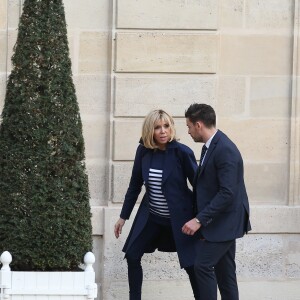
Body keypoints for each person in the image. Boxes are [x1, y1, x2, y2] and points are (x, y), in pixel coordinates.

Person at [114, 109, 200, 300]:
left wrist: (200, 220)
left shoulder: (182, 153)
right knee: (132, 255)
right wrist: (123, 217)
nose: (163, 131)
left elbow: (200, 188)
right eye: (157, 127)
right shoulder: (143, 151)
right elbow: (135, 185)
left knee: (192, 266)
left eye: (166, 126)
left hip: (180, 219)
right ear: (149, 131)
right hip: (152, 217)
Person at [182, 103, 251, 300]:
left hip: (226, 223)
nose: (188, 131)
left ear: (199, 125)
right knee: (225, 274)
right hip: (222, 223)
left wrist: (199, 220)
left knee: (202, 266)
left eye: (188, 126)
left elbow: (227, 193)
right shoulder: (211, 146)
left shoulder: (225, 149)